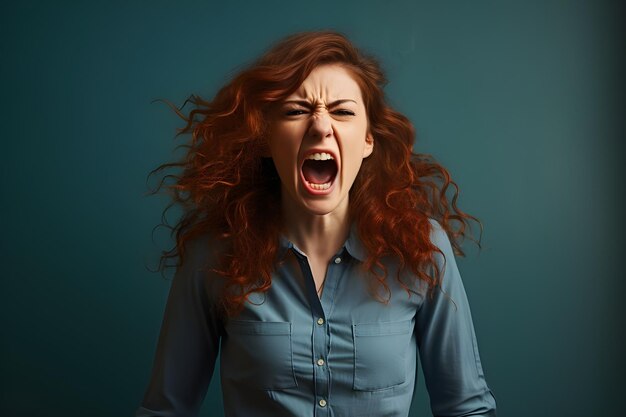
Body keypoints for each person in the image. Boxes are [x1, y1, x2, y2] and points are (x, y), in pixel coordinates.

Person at [136, 31, 497, 417]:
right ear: (266, 137)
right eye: (295, 111)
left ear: (368, 140)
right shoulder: (213, 256)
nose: (321, 126)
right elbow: (165, 411)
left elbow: (466, 408)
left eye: (342, 111)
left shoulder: (423, 248)